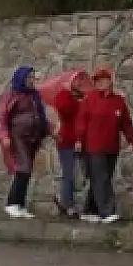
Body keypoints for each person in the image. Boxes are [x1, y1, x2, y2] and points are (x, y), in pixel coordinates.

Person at [76, 68, 133, 223]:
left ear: (110, 81)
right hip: (93, 147)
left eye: (103, 79)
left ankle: (90, 210)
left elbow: (126, 123)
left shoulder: (118, 101)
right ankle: (107, 211)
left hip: (111, 147)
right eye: (97, 80)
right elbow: (82, 121)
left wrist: (132, 140)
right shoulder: (89, 100)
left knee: (102, 178)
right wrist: (79, 140)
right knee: (101, 178)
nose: (100, 83)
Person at [0, 65, 50, 219]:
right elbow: (1, 117)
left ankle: (20, 204)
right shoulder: (12, 96)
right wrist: (4, 136)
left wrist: (50, 131)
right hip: (17, 137)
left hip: (32, 139)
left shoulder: (34, 96)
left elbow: (40, 117)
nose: (32, 80)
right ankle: (12, 203)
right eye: (29, 78)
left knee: (27, 170)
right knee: (23, 168)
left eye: (33, 77)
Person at [51, 70, 88, 217]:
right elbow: (63, 109)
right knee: (69, 174)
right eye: (77, 80)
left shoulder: (83, 98)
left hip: (81, 141)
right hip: (67, 140)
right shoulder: (63, 95)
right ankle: (68, 205)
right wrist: (76, 100)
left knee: (79, 175)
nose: (80, 83)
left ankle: (65, 201)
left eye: (81, 81)